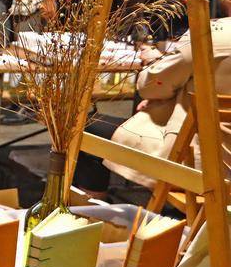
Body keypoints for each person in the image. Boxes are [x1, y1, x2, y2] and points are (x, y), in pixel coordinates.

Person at [73, 18, 231, 198]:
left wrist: (154, 64)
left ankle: (87, 216)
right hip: (221, 166)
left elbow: (150, 86)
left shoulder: (210, 33)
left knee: (87, 127)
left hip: (196, 168)